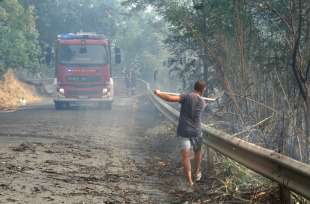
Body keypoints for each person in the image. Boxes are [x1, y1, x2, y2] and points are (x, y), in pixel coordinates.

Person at [154, 80, 207, 187]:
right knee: (198, 151)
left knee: (185, 157)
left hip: (184, 131)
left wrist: (158, 93)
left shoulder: (186, 97)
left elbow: (169, 98)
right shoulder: (202, 103)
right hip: (196, 131)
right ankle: (196, 172)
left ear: (194, 87)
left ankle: (190, 182)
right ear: (203, 89)